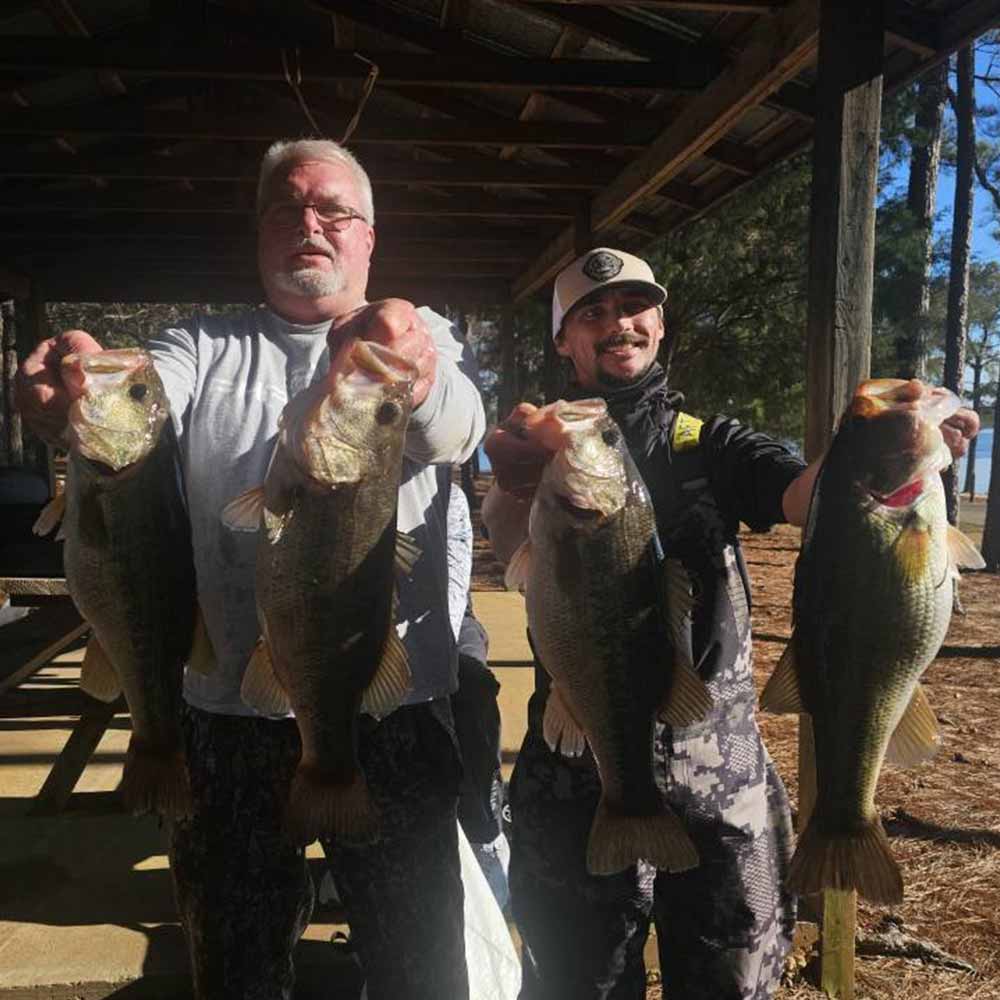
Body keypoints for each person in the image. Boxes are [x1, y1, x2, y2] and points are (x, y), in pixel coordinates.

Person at [15, 138, 486, 1000]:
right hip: (223, 711)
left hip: (388, 707)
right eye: (286, 207)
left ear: (370, 238)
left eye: (334, 209)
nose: (311, 223)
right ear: (259, 235)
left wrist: (414, 379)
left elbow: (457, 424)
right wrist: (77, 400)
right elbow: (148, 392)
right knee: (232, 966)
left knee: (420, 969)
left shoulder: (420, 342)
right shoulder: (201, 342)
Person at [481, 247, 979, 1000]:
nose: (619, 323)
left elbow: (811, 496)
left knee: (729, 972)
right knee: (577, 977)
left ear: (659, 322)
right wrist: (515, 478)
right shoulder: (533, 450)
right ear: (563, 341)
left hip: (719, 767)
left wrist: (894, 458)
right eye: (593, 312)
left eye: (635, 307)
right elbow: (509, 540)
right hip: (581, 763)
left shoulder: (710, 442)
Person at [446, 478, 511, 912]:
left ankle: (487, 831)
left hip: (449, 621)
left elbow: (453, 604)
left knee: (472, 689)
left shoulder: (444, 494)